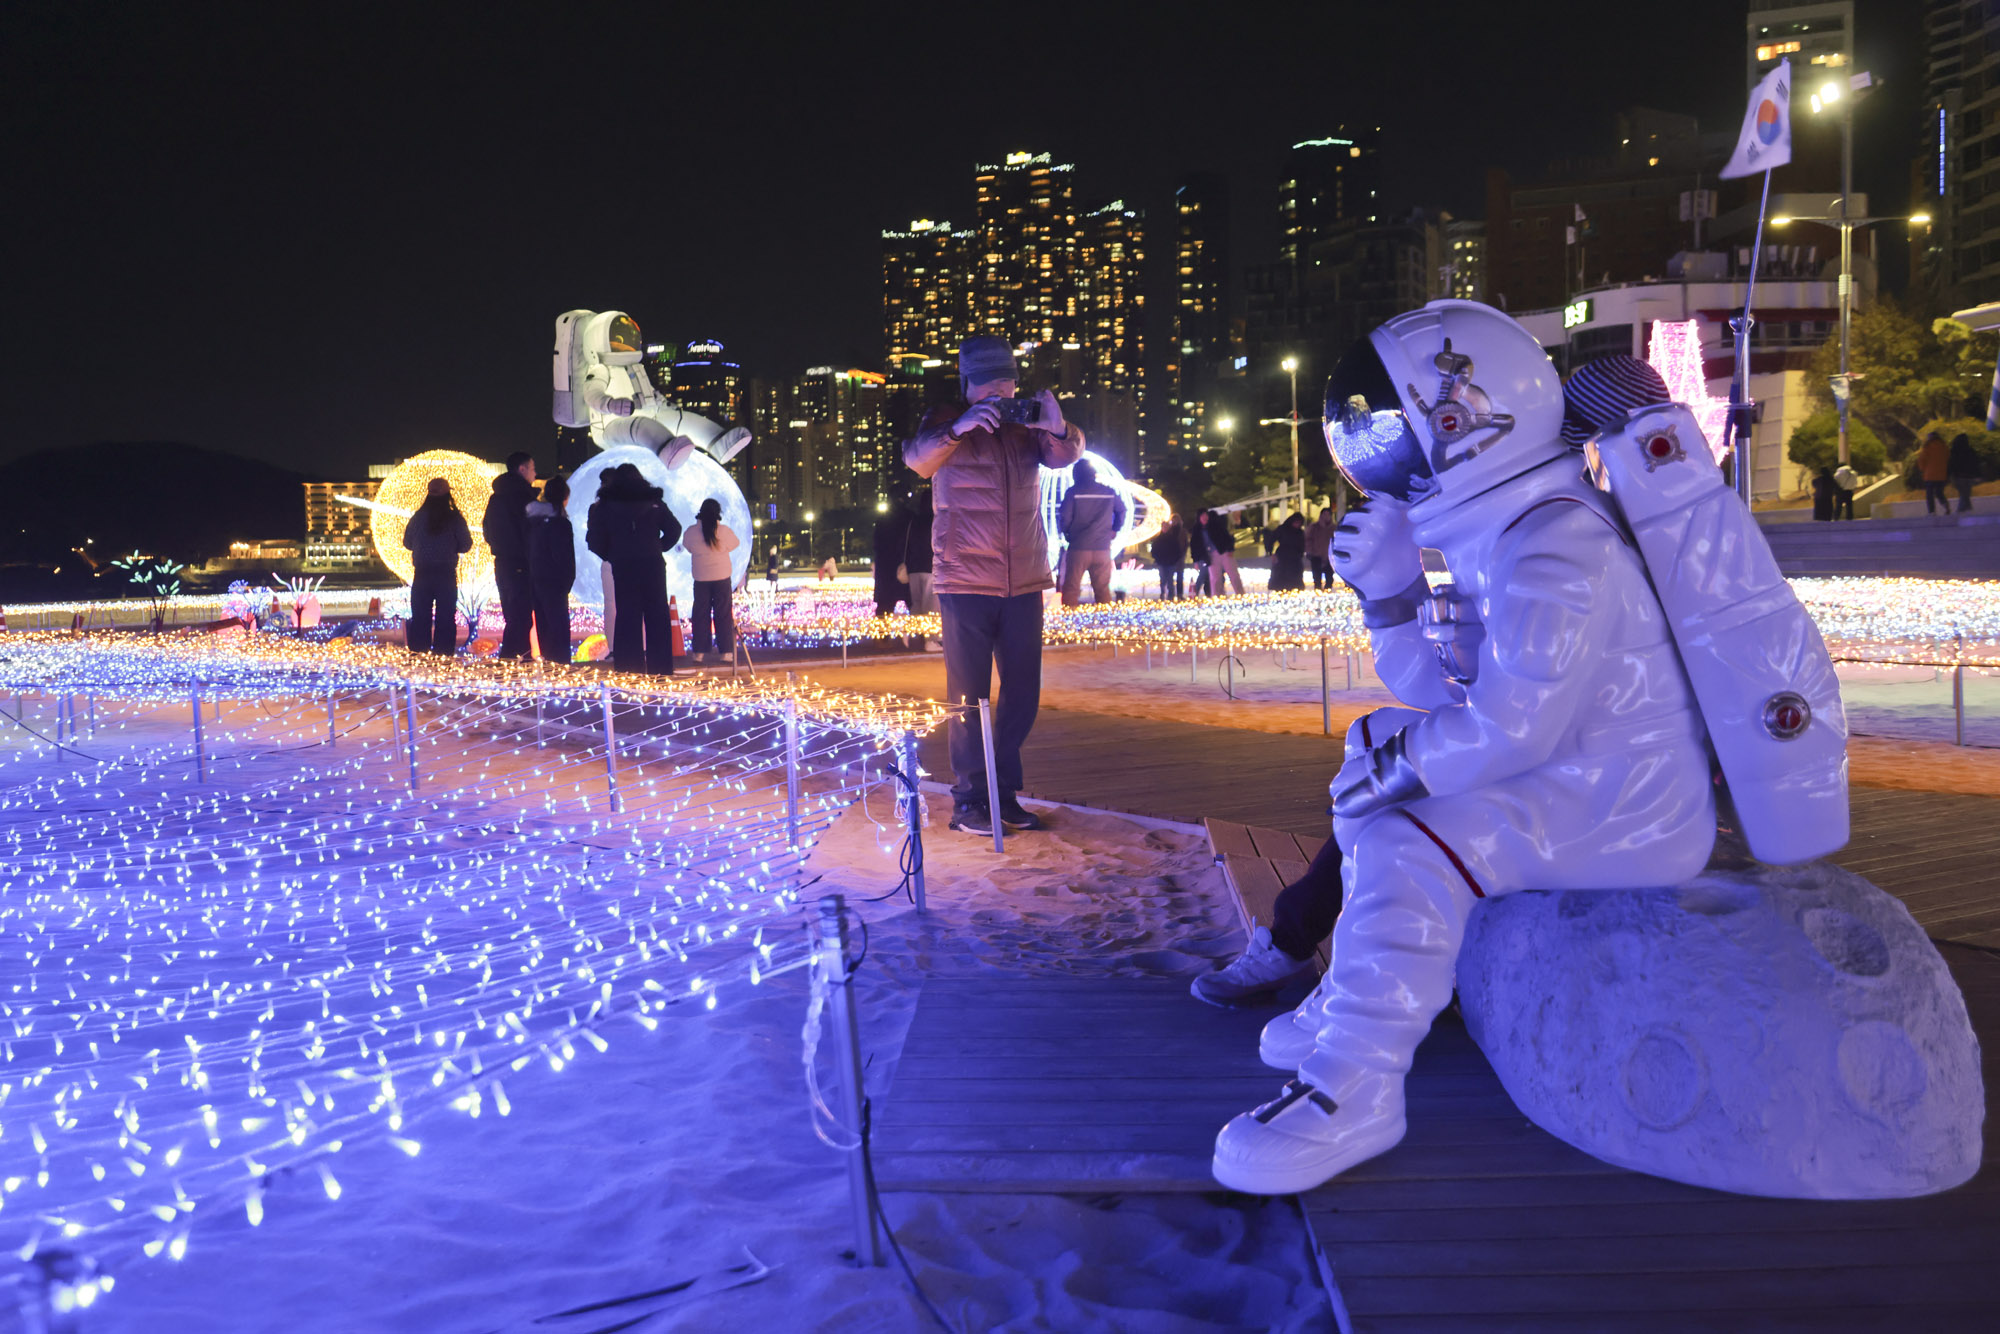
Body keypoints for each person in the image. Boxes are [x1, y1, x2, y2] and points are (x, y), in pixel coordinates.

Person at [1211, 312, 1720, 1196]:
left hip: (1626, 800)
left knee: (1414, 834)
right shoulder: (1517, 528)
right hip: (1583, 770)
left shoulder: (1554, 545)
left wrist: (1396, 776)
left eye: (1399, 441)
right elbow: (1447, 696)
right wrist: (1392, 599)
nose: (1383, 470)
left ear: (1468, 423)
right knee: (1374, 738)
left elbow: (1514, 725)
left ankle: (1354, 1087)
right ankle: (1353, 1000)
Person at [903, 334, 1085, 836]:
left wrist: (1057, 425)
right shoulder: (943, 421)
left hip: (1024, 580)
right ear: (967, 387)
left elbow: (1067, 455)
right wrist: (958, 428)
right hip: (965, 581)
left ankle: (1001, 793)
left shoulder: (1027, 427)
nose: (998, 403)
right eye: (987, 394)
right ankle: (969, 800)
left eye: (1006, 391)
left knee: (1023, 693)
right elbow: (917, 460)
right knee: (969, 698)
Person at [585, 463, 681, 674]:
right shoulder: (654, 501)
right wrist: (658, 547)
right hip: (652, 565)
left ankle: (629, 669)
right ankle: (661, 669)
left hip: (624, 566)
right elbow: (674, 529)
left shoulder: (605, 506)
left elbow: (593, 540)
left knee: (627, 615)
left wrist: (612, 555)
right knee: (657, 615)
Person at [402, 478, 471, 656]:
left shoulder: (418, 517)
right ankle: (444, 656)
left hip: (422, 573)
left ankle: (419, 655)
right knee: (446, 618)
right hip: (446, 573)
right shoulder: (454, 518)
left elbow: (407, 542)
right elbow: (466, 544)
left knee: (420, 617)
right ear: (448, 494)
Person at [483, 451, 538, 658]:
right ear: (522, 469)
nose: (535, 473)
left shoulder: (496, 499)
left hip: (503, 562)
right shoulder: (522, 498)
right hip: (521, 561)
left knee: (513, 614)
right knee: (521, 616)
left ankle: (515, 659)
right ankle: (514, 659)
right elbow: (531, 531)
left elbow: (487, 531)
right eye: (532, 468)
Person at [1057, 458, 1125, 605]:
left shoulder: (1073, 492)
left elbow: (1065, 517)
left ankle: (1070, 621)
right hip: (1102, 548)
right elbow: (1122, 510)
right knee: (1102, 590)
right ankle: (1104, 622)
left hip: (1079, 547)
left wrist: (1068, 534)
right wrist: (1115, 529)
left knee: (1071, 589)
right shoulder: (1109, 492)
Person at [525, 473, 576, 663]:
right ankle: (560, 663)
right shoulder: (560, 523)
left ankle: (548, 660)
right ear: (565, 498)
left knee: (544, 621)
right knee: (558, 623)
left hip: (536, 577)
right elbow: (564, 556)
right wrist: (567, 579)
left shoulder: (534, 520)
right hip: (555, 580)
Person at [683, 497, 741, 665]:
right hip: (722, 577)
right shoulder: (724, 531)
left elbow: (687, 546)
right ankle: (726, 653)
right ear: (718, 514)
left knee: (701, 615)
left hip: (701, 579)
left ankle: (699, 653)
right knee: (723, 614)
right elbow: (735, 544)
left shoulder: (691, 532)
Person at [904, 488, 939, 650]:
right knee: (931, 606)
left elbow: (907, 545)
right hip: (930, 568)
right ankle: (931, 640)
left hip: (914, 569)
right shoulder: (936, 519)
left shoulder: (914, 521)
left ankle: (911, 633)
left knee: (917, 604)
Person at [872, 500, 913, 615]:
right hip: (902, 564)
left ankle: (883, 631)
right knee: (914, 604)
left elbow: (876, 543)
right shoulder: (909, 516)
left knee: (884, 606)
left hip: (886, 568)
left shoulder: (883, 519)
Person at [1205, 508, 1245, 594]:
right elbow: (1229, 537)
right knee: (1229, 576)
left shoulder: (1209, 528)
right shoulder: (1218, 526)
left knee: (1217, 577)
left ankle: (1218, 595)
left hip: (1218, 553)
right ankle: (1238, 593)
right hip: (1219, 553)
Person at [1267, 512, 1307, 590]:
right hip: (1283, 556)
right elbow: (1271, 539)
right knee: (1280, 576)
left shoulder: (1300, 532)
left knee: (1295, 577)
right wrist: (1270, 553)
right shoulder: (1282, 529)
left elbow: (1302, 544)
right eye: (1296, 522)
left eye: (1299, 523)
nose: (1297, 525)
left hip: (1295, 558)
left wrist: (1301, 554)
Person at [1151, 514, 1187, 600]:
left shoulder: (1176, 535)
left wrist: (1176, 558)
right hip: (1163, 562)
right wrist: (1157, 559)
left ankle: (1174, 595)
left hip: (1172, 561)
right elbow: (1154, 550)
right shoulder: (1159, 539)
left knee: (1172, 579)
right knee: (1164, 579)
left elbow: (1179, 548)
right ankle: (1164, 594)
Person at [1919, 431, 1952, 514]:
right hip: (1941, 475)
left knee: (1929, 494)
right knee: (1939, 492)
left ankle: (1932, 511)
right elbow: (1948, 459)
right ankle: (1945, 505)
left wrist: (1923, 470)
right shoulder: (1944, 447)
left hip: (1929, 475)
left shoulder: (1927, 447)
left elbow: (1922, 460)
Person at [1948, 433, 1980, 512]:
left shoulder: (1954, 451)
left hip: (1958, 476)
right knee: (1965, 493)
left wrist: (1949, 474)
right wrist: (1977, 474)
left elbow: (1951, 464)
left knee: (1964, 494)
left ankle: (1962, 509)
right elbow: (1975, 463)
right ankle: (1965, 508)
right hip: (1968, 476)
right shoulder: (1970, 451)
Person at [1306, 508, 1337, 589]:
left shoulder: (1334, 528)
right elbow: (1308, 539)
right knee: (1317, 578)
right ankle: (1318, 591)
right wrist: (1309, 551)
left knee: (1329, 578)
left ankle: (1327, 591)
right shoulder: (1314, 527)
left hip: (1330, 556)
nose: (1326, 517)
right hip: (1316, 555)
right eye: (1324, 514)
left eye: (1328, 515)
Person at [1188, 508, 1213, 597]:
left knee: (1210, 576)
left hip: (1213, 555)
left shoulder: (1211, 528)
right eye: (1202, 516)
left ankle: (1209, 593)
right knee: (1203, 575)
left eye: (1206, 515)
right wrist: (1195, 561)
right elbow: (1194, 546)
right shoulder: (1196, 530)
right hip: (1202, 557)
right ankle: (1195, 593)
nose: (1205, 517)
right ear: (1199, 517)